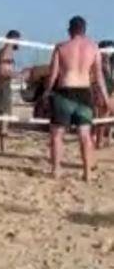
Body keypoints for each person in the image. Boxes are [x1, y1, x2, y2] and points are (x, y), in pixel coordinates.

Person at [44, 16, 110, 182]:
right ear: (84, 30)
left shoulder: (61, 47)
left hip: (64, 92)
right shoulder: (94, 47)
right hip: (84, 93)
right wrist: (106, 98)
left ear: (70, 30)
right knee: (85, 135)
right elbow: (99, 76)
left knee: (57, 134)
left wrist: (46, 92)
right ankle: (87, 172)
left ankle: (56, 170)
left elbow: (53, 75)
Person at [0, 30, 20, 153]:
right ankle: (3, 146)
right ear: (13, 39)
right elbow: (2, 72)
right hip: (2, 86)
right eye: (18, 40)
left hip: (1, 86)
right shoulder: (6, 53)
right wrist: (18, 75)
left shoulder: (7, 52)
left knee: (1, 116)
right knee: (5, 117)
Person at [93, 40, 114, 150]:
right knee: (103, 115)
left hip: (110, 89)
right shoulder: (98, 62)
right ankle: (99, 140)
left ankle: (108, 139)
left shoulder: (110, 61)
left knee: (110, 115)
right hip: (102, 89)